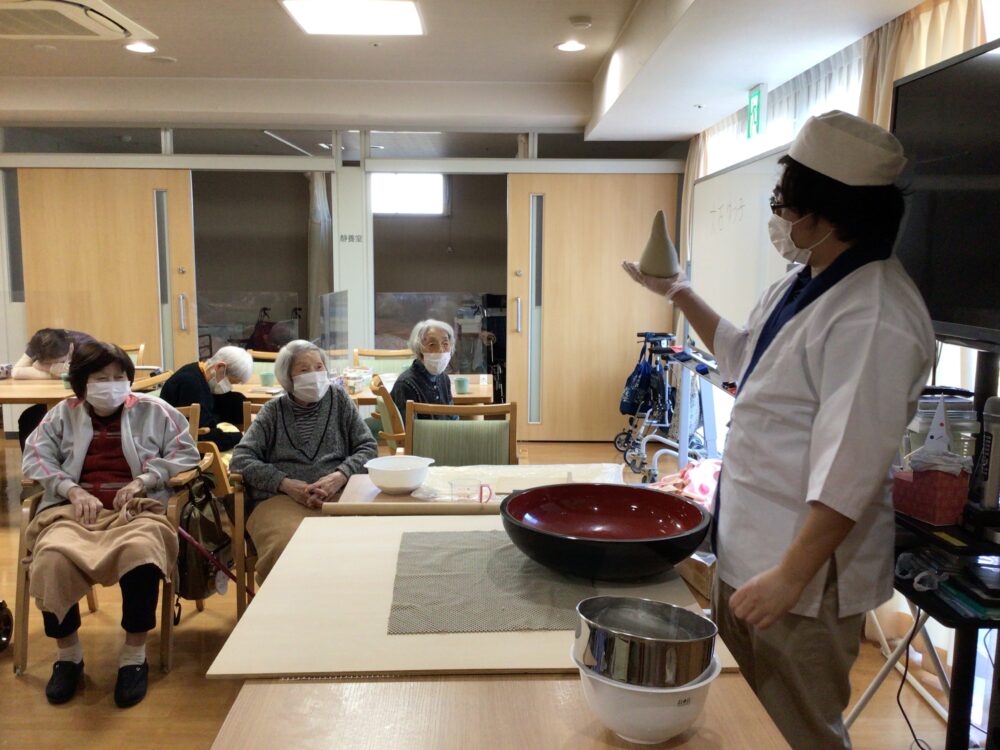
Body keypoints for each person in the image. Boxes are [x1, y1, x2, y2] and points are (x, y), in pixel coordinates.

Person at [623, 111, 935, 750]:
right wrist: (678, 292)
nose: (778, 220)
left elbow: (853, 460)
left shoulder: (875, 313)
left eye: (783, 206)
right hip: (751, 549)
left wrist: (792, 573)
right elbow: (741, 358)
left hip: (804, 574)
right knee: (742, 710)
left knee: (797, 726)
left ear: (829, 215)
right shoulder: (808, 282)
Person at [22, 341, 201, 708]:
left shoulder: (156, 411)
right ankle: (68, 655)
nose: (112, 384)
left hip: (136, 509)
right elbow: (35, 457)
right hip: (74, 511)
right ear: (81, 383)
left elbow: (186, 454)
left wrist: (144, 480)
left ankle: (134, 657)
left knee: (140, 553)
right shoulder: (61, 414)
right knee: (52, 558)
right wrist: (71, 490)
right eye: (101, 378)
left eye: (120, 377)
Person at [229, 340, 377, 582]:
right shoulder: (273, 411)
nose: (315, 375)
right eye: (304, 370)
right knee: (286, 546)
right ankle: (287, 614)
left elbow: (369, 447)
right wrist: (286, 484)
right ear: (288, 377)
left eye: (319, 368)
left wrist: (340, 476)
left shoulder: (339, 401)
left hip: (338, 496)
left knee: (361, 543)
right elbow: (240, 459)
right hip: (281, 500)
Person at [13, 328, 96, 451]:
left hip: (85, 401)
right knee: (29, 418)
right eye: (48, 364)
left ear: (71, 348)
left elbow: (91, 375)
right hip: (56, 401)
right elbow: (17, 372)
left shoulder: (86, 344)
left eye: (61, 362)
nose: (56, 366)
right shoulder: (40, 343)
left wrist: (42, 367)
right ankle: (34, 465)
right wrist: (55, 370)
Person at [159, 346, 253, 451]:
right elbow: (203, 435)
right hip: (181, 445)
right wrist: (241, 437)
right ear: (220, 367)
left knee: (236, 401)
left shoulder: (198, 373)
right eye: (230, 382)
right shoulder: (190, 384)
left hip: (195, 432)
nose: (229, 387)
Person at [390, 319, 458, 420]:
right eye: (432, 345)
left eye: (445, 343)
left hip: (445, 434)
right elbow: (408, 430)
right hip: (422, 436)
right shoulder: (406, 384)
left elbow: (453, 417)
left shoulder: (444, 378)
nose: (440, 350)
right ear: (419, 348)